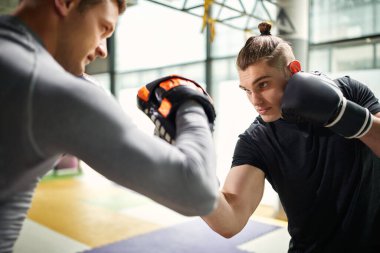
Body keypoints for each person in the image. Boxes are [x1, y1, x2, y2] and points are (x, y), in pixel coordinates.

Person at [0, 0, 219, 252]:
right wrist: (189, 102)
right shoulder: (47, 87)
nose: (103, 50)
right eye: (103, 29)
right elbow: (198, 190)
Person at [202, 22, 380, 253]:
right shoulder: (257, 140)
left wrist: (342, 114)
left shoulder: (349, 91)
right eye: (246, 90)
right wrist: (197, 181)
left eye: (263, 84)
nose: (255, 101)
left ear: (294, 69)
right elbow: (231, 221)